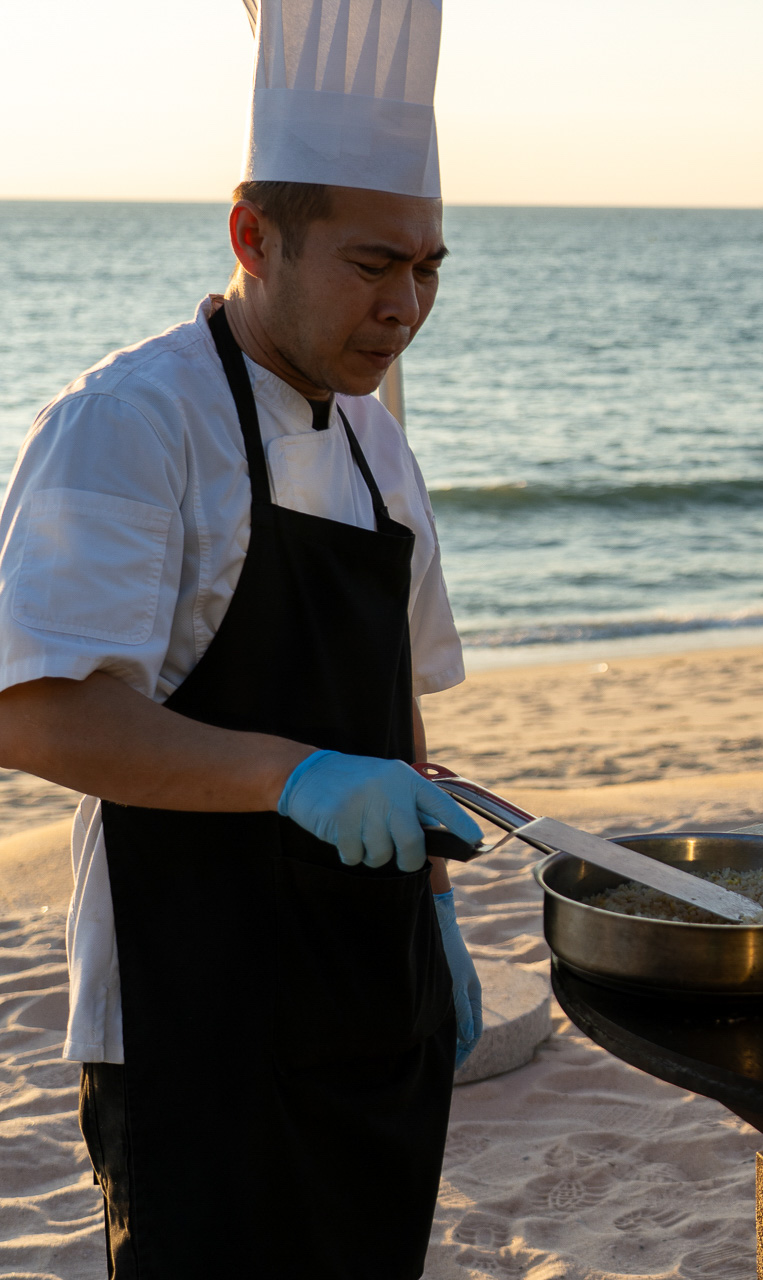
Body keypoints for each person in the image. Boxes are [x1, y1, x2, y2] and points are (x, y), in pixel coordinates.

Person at [0, 3, 487, 1274]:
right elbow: (34, 711)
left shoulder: (381, 438)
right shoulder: (128, 422)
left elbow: (393, 697)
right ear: (251, 236)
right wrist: (296, 777)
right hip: (194, 1023)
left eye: (430, 267)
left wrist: (434, 903)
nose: (406, 307)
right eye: (373, 264)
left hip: (380, 1006)